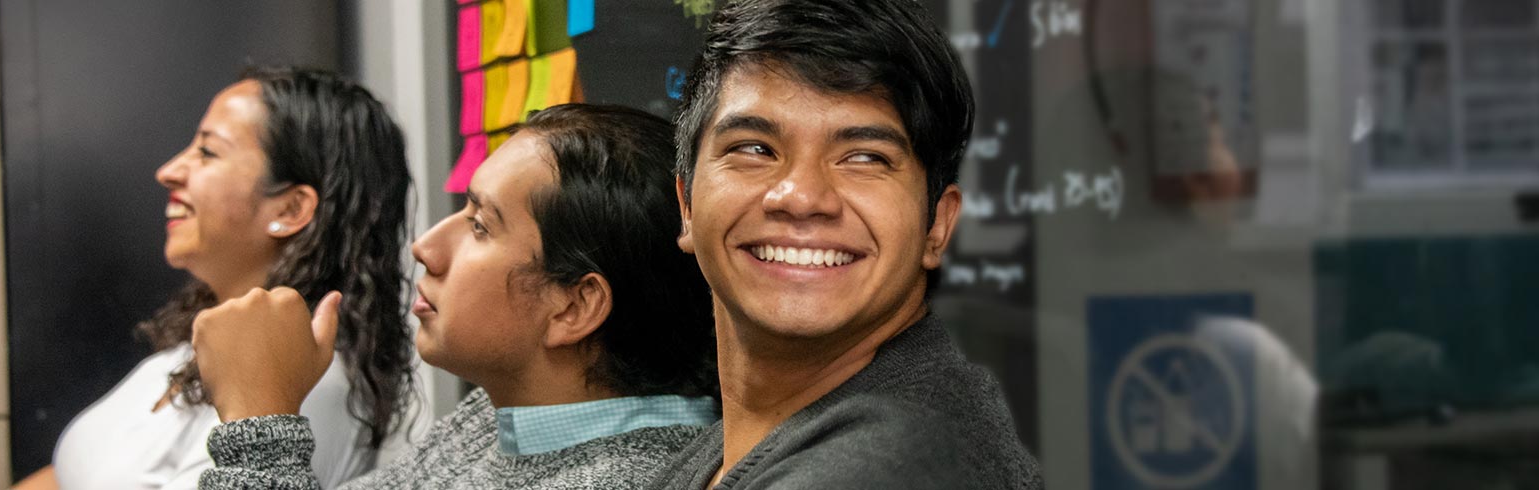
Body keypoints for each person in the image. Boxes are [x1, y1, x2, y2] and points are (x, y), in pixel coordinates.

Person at [189, 104, 718, 489]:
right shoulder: (506, 417)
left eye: (481, 226)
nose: (426, 247)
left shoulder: (630, 479)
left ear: (573, 307)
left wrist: (259, 422)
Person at [647, 0, 1043, 487]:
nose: (802, 197)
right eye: (754, 149)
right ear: (686, 205)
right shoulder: (732, 446)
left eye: (864, 157)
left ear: (937, 225)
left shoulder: (886, 467)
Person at [13, 67, 417, 490]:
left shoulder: (300, 387)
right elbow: (65, 475)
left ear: (290, 209)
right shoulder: (190, 349)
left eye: (207, 152)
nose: (168, 171)